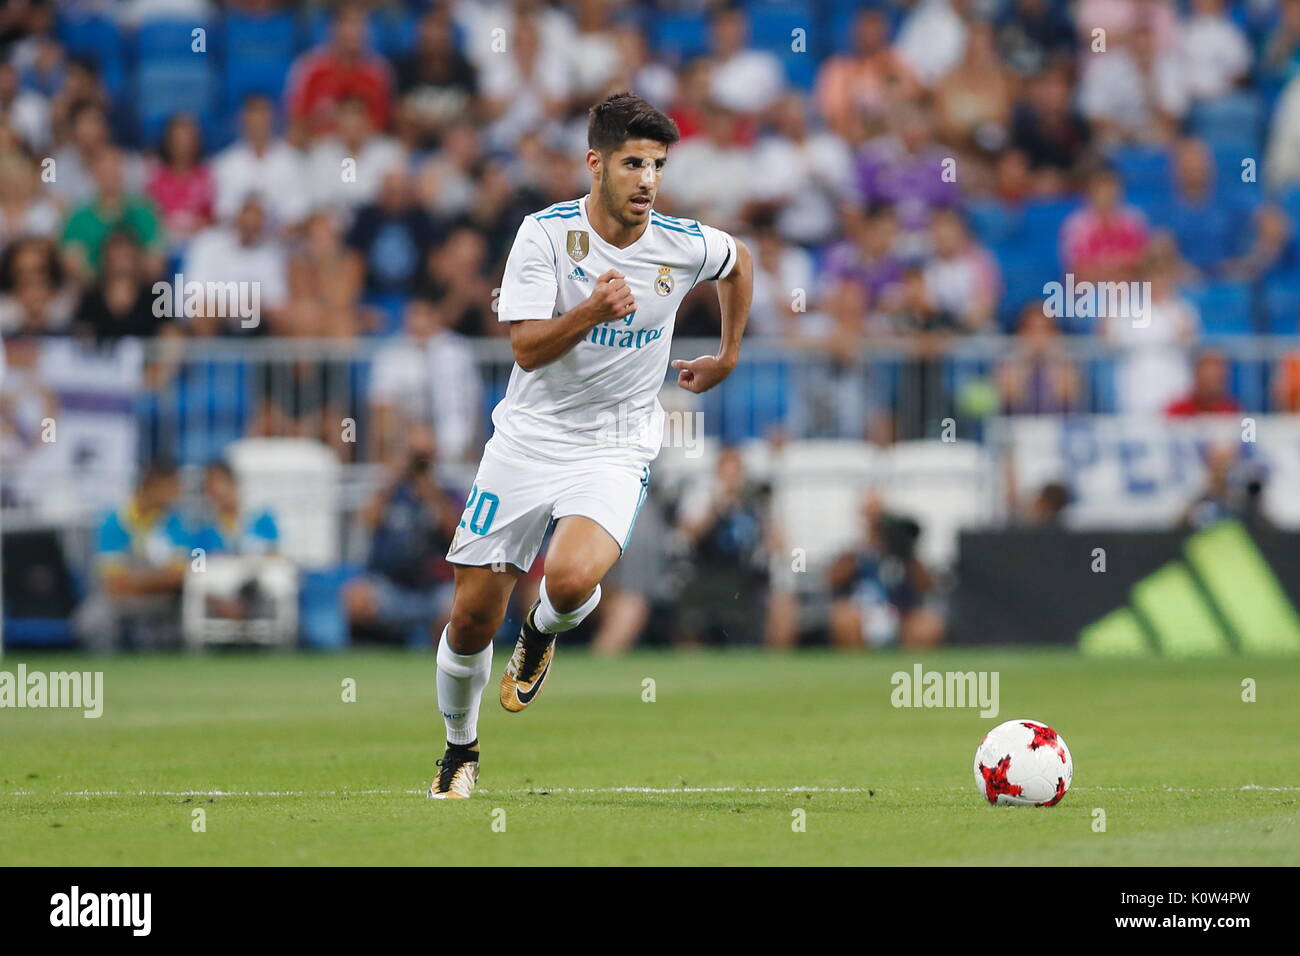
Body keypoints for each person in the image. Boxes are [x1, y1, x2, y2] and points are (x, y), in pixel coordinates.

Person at [429, 92, 753, 798]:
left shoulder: (683, 243)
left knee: (572, 580)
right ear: (595, 163)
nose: (647, 180)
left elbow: (738, 263)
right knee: (470, 619)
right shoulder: (544, 236)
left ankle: (542, 631)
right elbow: (524, 349)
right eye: (633, 163)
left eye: (658, 165)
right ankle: (460, 749)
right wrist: (590, 311)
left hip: (614, 442)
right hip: (527, 440)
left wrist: (726, 355)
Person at [343, 428, 460, 648]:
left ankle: (442, 663)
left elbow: (457, 535)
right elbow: (367, 521)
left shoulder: (447, 491)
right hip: (390, 585)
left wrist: (430, 492)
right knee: (355, 598)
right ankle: (370, 653)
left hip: (433, 588)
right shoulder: (390, 490)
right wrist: (393, 478)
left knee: (459, 607)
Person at [75, 461, 190, 651]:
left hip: (163, 600)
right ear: (152, 486)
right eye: (173, 487)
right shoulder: (114, 521)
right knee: (92, 621)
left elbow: (181, 575)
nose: (178, 493)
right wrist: (160, 579)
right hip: (118, 601)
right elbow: (114, 583)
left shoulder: (175, 522)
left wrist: (137, 581)